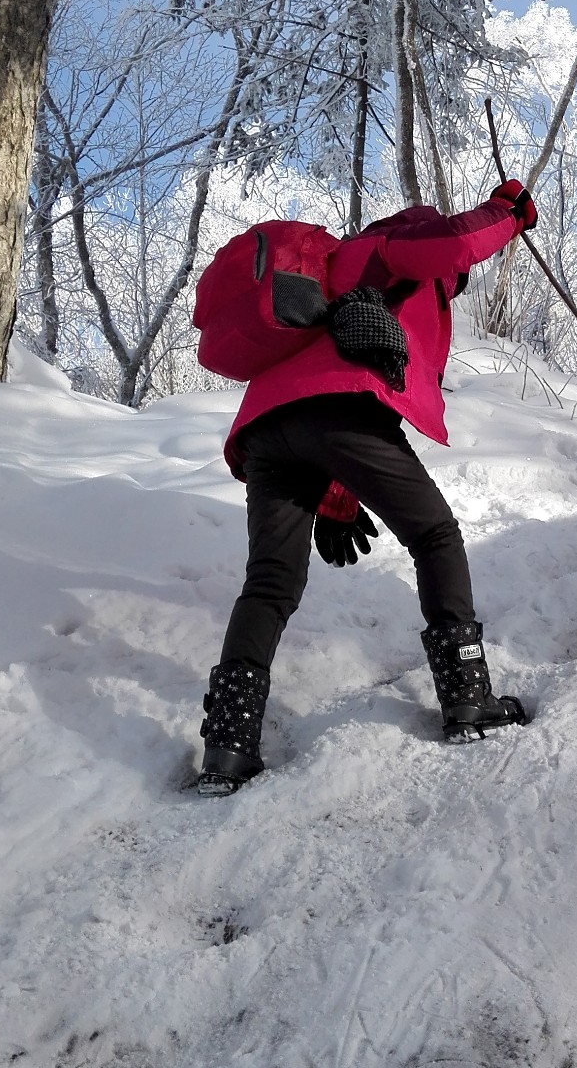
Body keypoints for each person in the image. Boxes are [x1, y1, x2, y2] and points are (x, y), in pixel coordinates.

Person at [196, 180, 538, 797]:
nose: (452, 288)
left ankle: (227, 747)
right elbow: (458, 242)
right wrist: (509, 214)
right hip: (336, 415)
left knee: (271, 583)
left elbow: (315, 386)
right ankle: (467, 697)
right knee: (435, 535)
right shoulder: (386, 247)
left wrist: (335, 493)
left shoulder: (347, 275)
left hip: (267, 429)